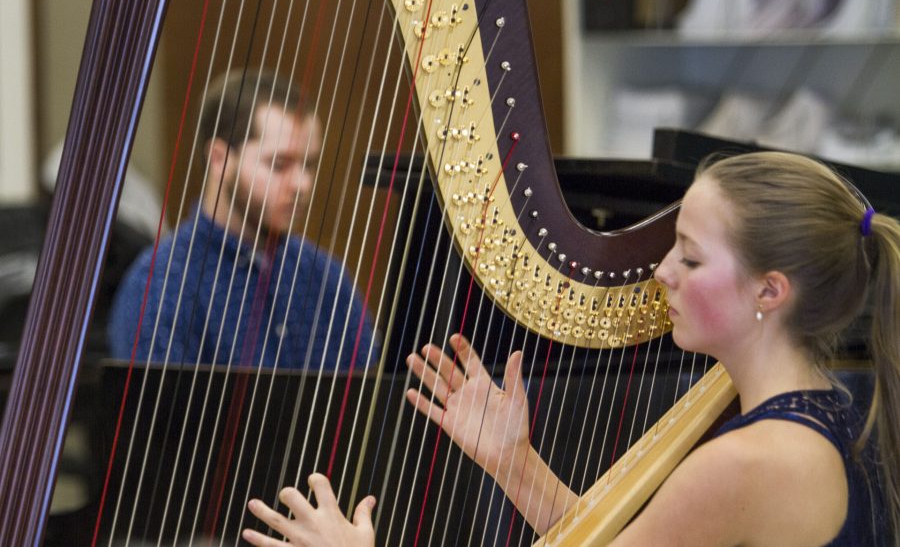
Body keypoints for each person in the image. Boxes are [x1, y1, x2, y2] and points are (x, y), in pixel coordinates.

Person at [241, 151, 899, 546]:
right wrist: (514, 463)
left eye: (691, 259)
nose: (661, 271)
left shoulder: (748, 462)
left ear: (770, 290)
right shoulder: (826, 411)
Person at [108, 69, 378, 371]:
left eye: (309, 164)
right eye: (279, 164)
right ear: (220, 158)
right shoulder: (160, 286)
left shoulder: (325, 277)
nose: (302, 184)